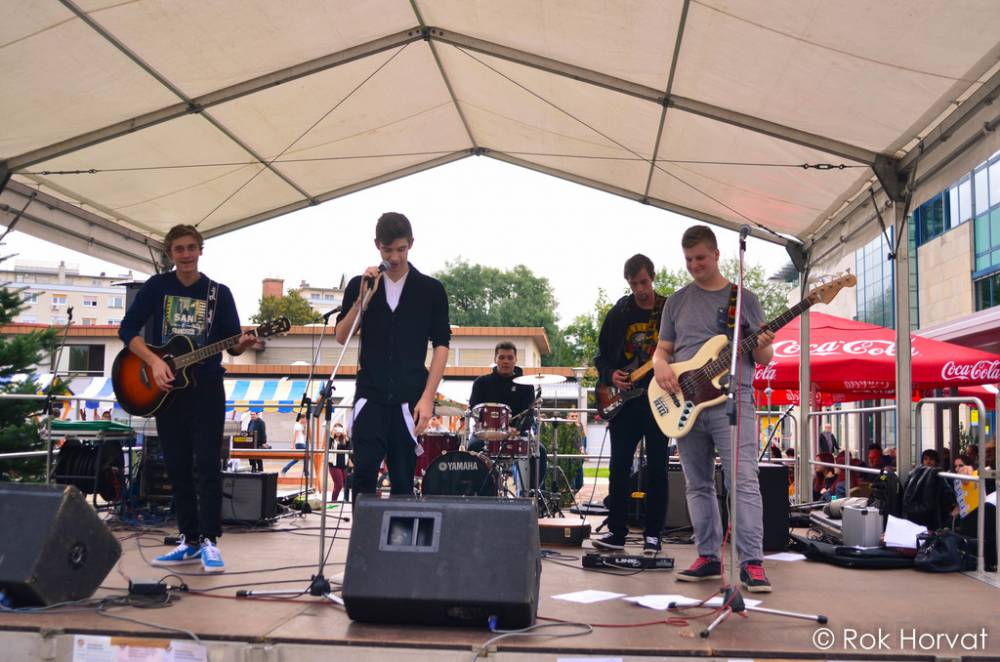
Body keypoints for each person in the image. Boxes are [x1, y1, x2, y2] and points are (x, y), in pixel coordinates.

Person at [120, 224, 256, 573]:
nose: (185, 255)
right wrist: (153, 362)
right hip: (166, 391)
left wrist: (243, 343)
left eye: (191, 248)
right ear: (170, 253)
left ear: (200, 250)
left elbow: (233, 345)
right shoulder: (157, 287)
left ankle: (209, 541)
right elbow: (127, 330)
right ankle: (189, 539)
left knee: (208, 465)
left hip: (207, 388)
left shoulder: (218, 293)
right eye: (179, 249)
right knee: (177, 466)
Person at [652, 225, 775, 593]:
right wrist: (659, 365)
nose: (694, 265)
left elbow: (763, 357)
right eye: (689, 259)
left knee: (744, 482)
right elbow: (663, 350)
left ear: (718, 255)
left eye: (700, 258)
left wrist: (763, 342)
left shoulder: (744, 298)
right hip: (686, 402)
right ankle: (707, 556)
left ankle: (751, 563)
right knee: (697, 484)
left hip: (733, 400)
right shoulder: (676, 302)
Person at [335, 212, 450, 499]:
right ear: (377, 245)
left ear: (411, 244)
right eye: (388, 250)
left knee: (402, 480)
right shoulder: (361, 285)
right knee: (363, 478)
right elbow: (341, 336)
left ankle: (401, 531)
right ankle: (363, 531)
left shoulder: (430, 289)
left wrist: (428, 397)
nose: (395, 257)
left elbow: (441, 345)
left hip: (409, 398)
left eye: (401, 249)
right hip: (370, 396)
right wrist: (363, 299)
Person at [592, 253, 670, 556]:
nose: (640, 289)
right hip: (624, 402)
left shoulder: (667, 309)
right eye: (634, 284)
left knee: (658, 469)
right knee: (619, 467)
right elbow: (601, 357)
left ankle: (653, 535)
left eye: (644, 282)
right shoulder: (620, 312)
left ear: (653, 277)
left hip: (659, 398)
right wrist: (611, 374)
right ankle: (617, 532)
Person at [468, 341, 544, 492]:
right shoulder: (481, 383)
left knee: (539, 451)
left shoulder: (526, 385)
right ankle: (478, 491)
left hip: (517, 434)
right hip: (486, 434)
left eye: (510, 357)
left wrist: (518, 429)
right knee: (472, 448)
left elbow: (530, 415)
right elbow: (473, 409)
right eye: (502, 357)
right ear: (495, 359)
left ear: (516, 360)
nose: (506, 361)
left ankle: (533, 493)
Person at [328, 423, 352, 502]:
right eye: (336, 429)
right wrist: (332, 436)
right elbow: (328, 447)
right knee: (339, 485)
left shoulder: (344, 439)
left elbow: (349, 448)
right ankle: (333, 501)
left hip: (344, 465)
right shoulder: (331, 439)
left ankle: (343, 500)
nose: (338, 431)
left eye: (339, 429)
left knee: (345, 484)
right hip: (334, 465)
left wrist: (346, 437)